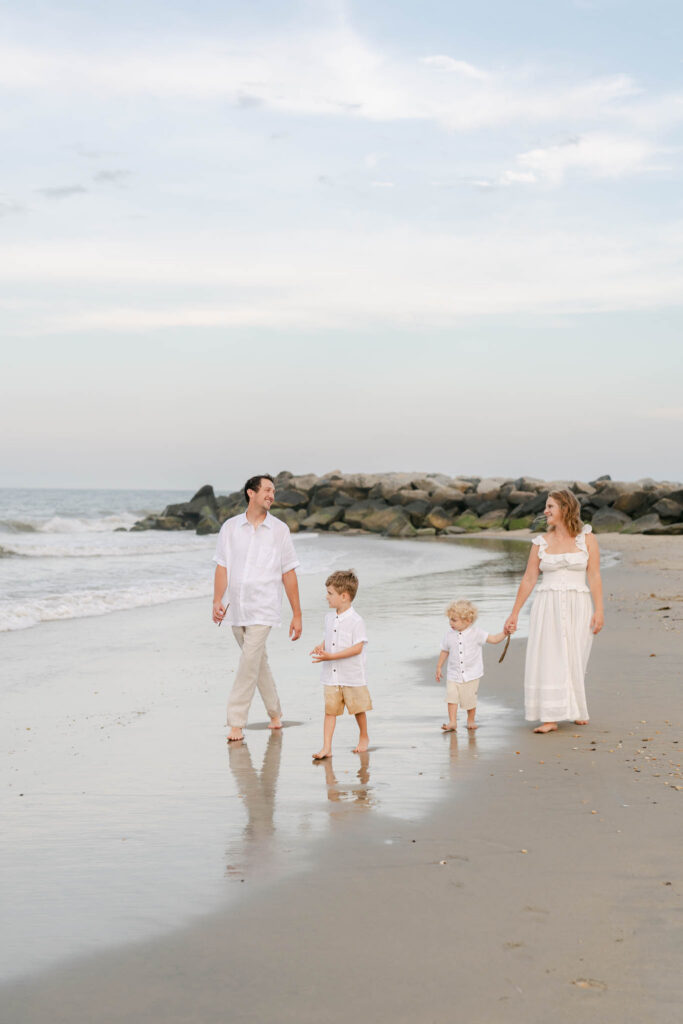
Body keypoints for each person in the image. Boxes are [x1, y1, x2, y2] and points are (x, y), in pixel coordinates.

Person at [503, 489, 604, 734]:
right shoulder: (540, 543)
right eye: (546, 507)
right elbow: (529, 579)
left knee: (575, 655)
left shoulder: (586, 538)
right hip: (547, 604)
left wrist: (599, 610)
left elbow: (594, 575)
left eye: (550, 507)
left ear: (565, 509)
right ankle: (550, 716)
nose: (545, 511)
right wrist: (514, 613)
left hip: (578, 602)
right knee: (550, 655)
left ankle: (576, 708)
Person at [212, 474, 302, 742]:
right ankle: (275, 714)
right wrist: (217, 601)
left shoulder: (279, 530)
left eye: (273, 491)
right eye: (267, 490)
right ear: (250, 493)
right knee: (257, 663)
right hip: (235, 607)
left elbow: (288, 573)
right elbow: (222, 566)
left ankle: (236, 722)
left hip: (264, 607)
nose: (271, 495)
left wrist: (297, 614)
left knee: (248, 661)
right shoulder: (230, 528)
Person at [310, 569, 371, 760]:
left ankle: (363, 736)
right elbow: (328, 638)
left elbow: (358, 648)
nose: (326, 597)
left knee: (358, 709)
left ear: (344, 596)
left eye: (330, 593)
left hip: (351, 675)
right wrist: (321, 647)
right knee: (330, 711)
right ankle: (326, 747)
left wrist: (332, 656)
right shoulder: (329, 618)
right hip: (331, 676)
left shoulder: (356, 620)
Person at [435, 599, 506, 732]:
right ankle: (452, 722)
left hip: (471, 674)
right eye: (450, 619)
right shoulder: (449, 635)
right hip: (453, 674)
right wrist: (439, 666)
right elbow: (445, 650)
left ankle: (470, 720)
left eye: (454, 620)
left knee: (469, 700)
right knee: (451, 697)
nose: (451, 623)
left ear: (467, 621)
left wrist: (505, 633)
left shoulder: (477, 633)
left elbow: (494, 639)